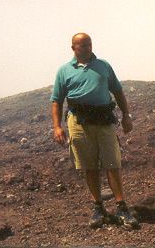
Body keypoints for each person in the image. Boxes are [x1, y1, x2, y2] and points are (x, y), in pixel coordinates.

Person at [51, 33, 139, 228]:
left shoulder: (104, 66)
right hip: (79, 122)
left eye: (89, 44)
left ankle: (121, 207)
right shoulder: (64, 71)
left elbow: (117, 91)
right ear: (73, 48)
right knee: (89, 166)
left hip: (104, 120)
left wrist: (126, 115)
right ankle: (98, 207)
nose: (87, 48)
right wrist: (57, 126)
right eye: (82, 46)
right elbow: (56, 100)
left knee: (112, 163)